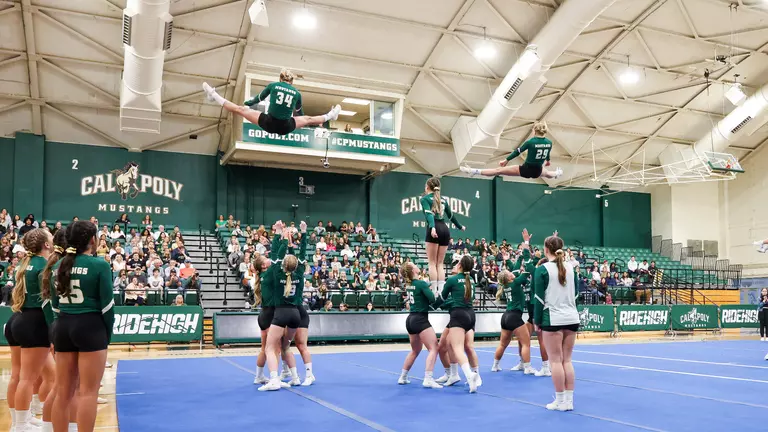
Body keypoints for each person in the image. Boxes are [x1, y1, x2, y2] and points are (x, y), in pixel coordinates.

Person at [51, 221, 115, 431]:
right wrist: (106, 336)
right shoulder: (100, 265)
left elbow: (54, 305)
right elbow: (107, 307)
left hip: (63, 325)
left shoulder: (58, 266)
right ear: (92, 240)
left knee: (63, 393)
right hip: (91, 326)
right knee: (88, 392)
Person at [10, 228, 56, 432]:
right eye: (50, 236)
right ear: (46, 244)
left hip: (19, 318)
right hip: (35, 322)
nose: (53, 238)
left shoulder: (26, 263)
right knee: (27, 378)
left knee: (23, 376)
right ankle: (21, 425)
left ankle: (23, 418)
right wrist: (53, 329)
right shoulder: (44, 265)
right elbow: (46, 302)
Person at [202, 69, 341, 136]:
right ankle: (331, 115)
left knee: (239, 110)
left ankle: (214, 95)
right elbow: (300, 113)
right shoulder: (297, 93)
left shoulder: (273, 85)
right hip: (286, 126)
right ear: (292, 81)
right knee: (309, 119)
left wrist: (248, 103)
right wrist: (300, 121)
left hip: (269, 122)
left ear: (280, 78)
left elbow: (258, 99)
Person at [258, 222, 308, 392]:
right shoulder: (299, 273)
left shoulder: (276, 273)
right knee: (286, 346)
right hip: (296, 314)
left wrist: (281, 236)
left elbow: (275, 255)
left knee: (270, 348)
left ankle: (273, 379)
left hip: (281, 313)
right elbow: (301, 255)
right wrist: (302, 233)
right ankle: (295, 377)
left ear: (283, 265)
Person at [533, 234, 579, 411]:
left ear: (546, 249)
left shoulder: (542, 270)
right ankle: (569, 401)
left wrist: (537, 321)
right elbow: (576, 295)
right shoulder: (571, 268)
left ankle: (560, 401)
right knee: (567, 360)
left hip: (552, 318)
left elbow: (538, 299)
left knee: (555, 362)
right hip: (572, 317)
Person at [460, 121, 562, 179]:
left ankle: (473, 171)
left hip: (526, 169)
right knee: (547, 173)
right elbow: (547, 154)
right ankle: (557, 173)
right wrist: (548, 161)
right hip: (537, 171)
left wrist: (506, 160)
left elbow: (517, 152)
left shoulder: (531, 142)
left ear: (534, 131)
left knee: (498, 171)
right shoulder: (549, 143)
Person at [397, 262, 442, 389]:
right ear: (413, 270)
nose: (417, 265)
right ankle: (428, 378)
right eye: (414, 265)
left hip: (410, 319)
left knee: (415, 350)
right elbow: (432, 299)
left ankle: (403, 376)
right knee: (434, 348)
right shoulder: (421, 283)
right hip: (420, 318)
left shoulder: (410, 284)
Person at [420, 177, 465, 298]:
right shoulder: (443, 199)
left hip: (435, 227)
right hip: (445, 229)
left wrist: (432, 228)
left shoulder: (425, 199)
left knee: (432, 262)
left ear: (427, 187)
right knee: (440, 263)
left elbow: (429, 215)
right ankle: (441, 292)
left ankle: (434, 292)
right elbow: (451, 215)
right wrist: (460, 226)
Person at [492, 270, 535, 374]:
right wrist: (522, 267)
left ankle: (495, 366)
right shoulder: (515, 282)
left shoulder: (505, 286)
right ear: (509, 278)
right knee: (526, 343)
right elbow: (526, 273)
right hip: (514, 316)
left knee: (502, 344)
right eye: (509, 273)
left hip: (505, 316)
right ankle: (528, 367)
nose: (512, 273)